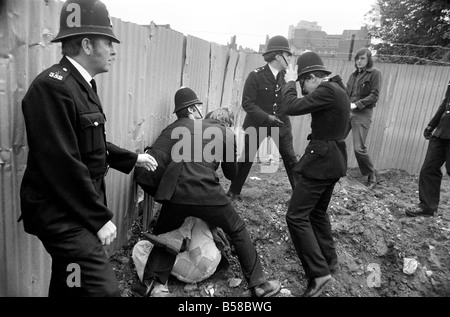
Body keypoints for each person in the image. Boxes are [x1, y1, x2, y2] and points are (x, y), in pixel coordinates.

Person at [19, 0, 158, 297]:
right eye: (108, 41)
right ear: (86, 44)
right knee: (104, 291)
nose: (114, 50)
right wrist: (98, 218)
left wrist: (133, 158)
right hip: (60, 213)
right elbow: (61, 161)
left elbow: (86, 144)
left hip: (75, 206)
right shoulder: (52, 87)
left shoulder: (82, 85)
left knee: (71, 279)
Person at [139, 87, 281, 297]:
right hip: (206, 191)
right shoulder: (226, 133)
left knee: (166, 234)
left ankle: (149, 285)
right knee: (237, 229)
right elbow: (231, 174)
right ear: (228, 123)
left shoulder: (189, 128)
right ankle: (259, 285)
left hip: (176, 191)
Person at [282, 51, 350, 297]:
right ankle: (329, 260)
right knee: (317, 212)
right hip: (333, 159)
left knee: (296, 217)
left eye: (302, 83)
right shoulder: (338, 90)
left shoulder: (326, 90)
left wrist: (289, 81)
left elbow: (290, 106)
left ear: (311, 77)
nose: (304, 89)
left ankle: (319, 274)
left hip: (320, 162)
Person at [227, 35, 298, 200]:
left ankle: (299, 195)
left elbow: (291, 101)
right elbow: (247, 103)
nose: (289, 58)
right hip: (257, 124)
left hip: (281, 125)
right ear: (277, 56)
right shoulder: (256, 75)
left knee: (290, 158)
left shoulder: (288, 77)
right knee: (246, 159)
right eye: (287, 55)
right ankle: (233, 191)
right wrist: (267, 117)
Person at [406, 80, 450, 217]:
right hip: (442, 132)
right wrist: (432, 124)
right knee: (429, 169)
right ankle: (427, 207)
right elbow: (445, 103)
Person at [345, 47, 382, 188]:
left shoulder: (374, 73)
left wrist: (357, 105)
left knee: (358, 148)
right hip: (348, 112)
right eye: (357, 58)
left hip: (362, 113)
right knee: (336, 139)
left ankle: (371, 174)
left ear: (368, 60)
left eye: (362, 58)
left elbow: (375, 95)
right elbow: (346, 93)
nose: (359, 61)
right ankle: (336, 168)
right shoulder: (353, 75)